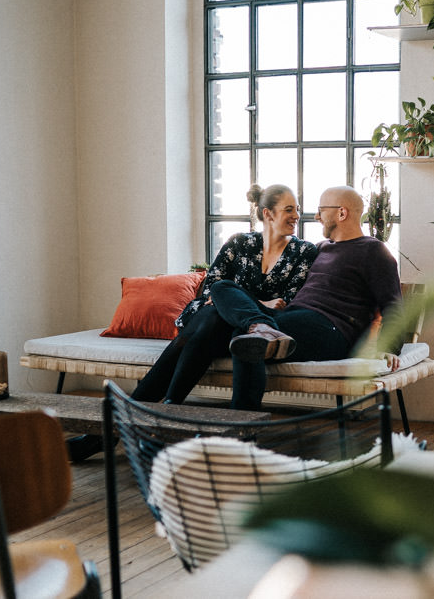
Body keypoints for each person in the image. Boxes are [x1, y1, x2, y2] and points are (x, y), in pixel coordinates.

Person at [66, 183, 316, 462]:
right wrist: (254, 301)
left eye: (297, 209)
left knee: (208, 321)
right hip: (214, 324)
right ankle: (166, 414)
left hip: (252, 334)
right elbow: (210, 289)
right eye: (289, 209)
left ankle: (112, 433)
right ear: (268, 214)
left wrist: (240, 301)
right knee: (211, 314)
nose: (297, 215)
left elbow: (286, 303)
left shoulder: (303, 252)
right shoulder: (239, 243)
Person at [211, 186, 403, 396]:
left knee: (245, 338)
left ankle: (243, 421)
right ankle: (261, 327)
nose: (317, 216)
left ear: (341, 213)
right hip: (293, 317)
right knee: (222, 287)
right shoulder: (320, 248)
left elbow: (393, 305)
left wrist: (389, 348)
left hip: (332, 329)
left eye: (321, 210)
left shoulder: (374, 251)